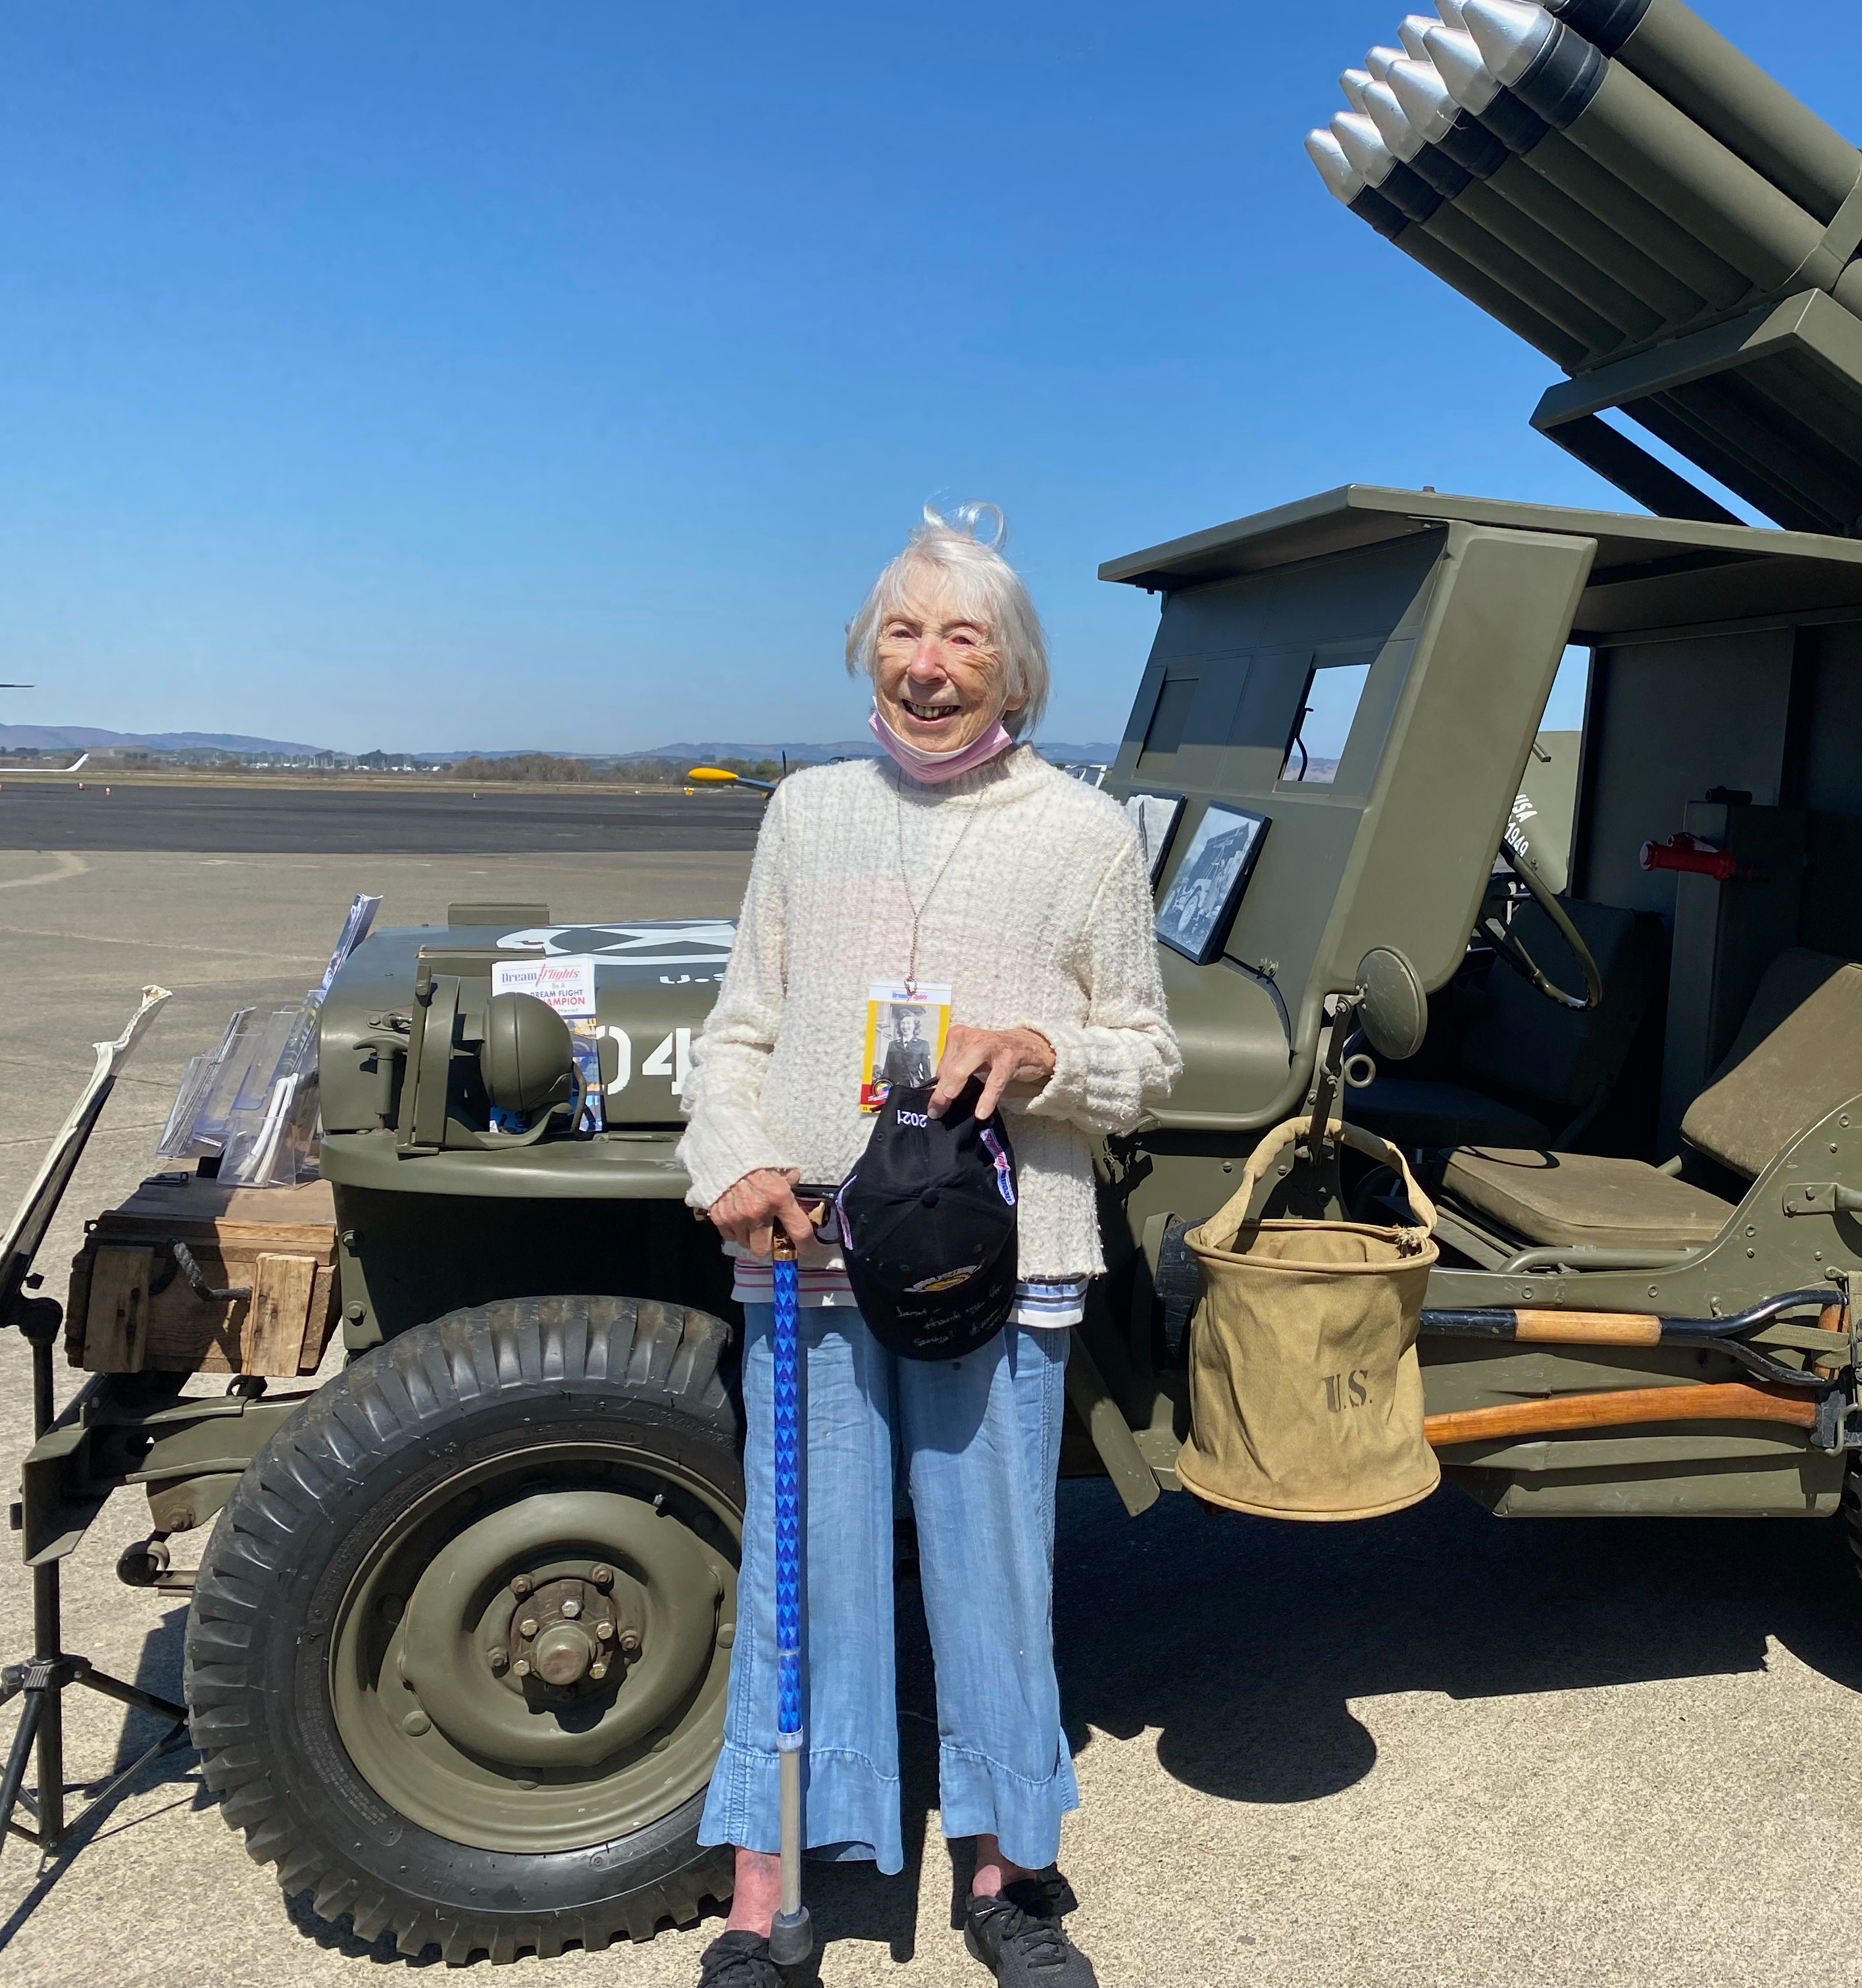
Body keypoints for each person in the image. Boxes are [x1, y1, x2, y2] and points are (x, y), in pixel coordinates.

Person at [678, 504, 1181, 1988]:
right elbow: (738, 1033)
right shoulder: (805, 814)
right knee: (804, 1577)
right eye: (901, 630)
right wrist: (733, 1160)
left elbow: (1147, 1056)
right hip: (810, 1250)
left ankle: (1003, 1870)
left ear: (1011, 672)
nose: (926, 662)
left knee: (989, 1574)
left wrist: (1044, 1051)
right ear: (865, 654)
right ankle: (768, 1888)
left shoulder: (1084, 835)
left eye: (961, 636)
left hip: (998, 1263)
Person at [879, 1004, 934, 1089]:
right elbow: (887, 1070)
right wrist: (884, 1086)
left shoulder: (923, 1045)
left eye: (908, 1023)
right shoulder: (893, 1045)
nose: (905, 1027)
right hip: (895, 1087)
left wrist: (927, 1090)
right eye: (903, 1023)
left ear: (915, 1025)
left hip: (915, 1087)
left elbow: (926, 1072)